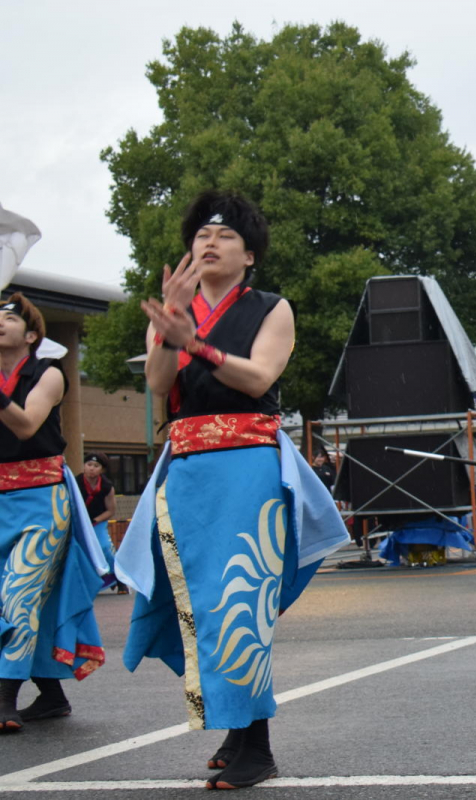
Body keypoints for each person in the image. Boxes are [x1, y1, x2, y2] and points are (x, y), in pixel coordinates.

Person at [114, 190, 347, 788]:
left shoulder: (272, 307)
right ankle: (238, 730)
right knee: (201, 607)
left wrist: (196, 341)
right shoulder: (174, 309)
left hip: (249, 468)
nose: (209, 242)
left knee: (241, 603)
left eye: (225, 236)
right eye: (201, 235)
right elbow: (159, 385)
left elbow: (259, 377)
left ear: (249, 256)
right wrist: (171, 332)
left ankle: (257, 745)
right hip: (188, 470)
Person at [0, 293, 108, 731]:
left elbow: (26, 424)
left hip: (40, 500)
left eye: (6, 317)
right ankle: (51, 694)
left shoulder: (49, 374)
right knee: (25, 602)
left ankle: (4, 699)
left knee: (18, 596)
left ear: (30, 334)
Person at [76, 451, 127, 594]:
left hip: (97, 521)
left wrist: (94, 520)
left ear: (102, 469)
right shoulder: (76, 483)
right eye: (89, 464)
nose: (92, 468)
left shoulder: (106, 486)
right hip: (79, 522)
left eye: (96, 466)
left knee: (104, 547)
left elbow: (110, 511)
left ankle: (120, 578)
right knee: (79, 551)